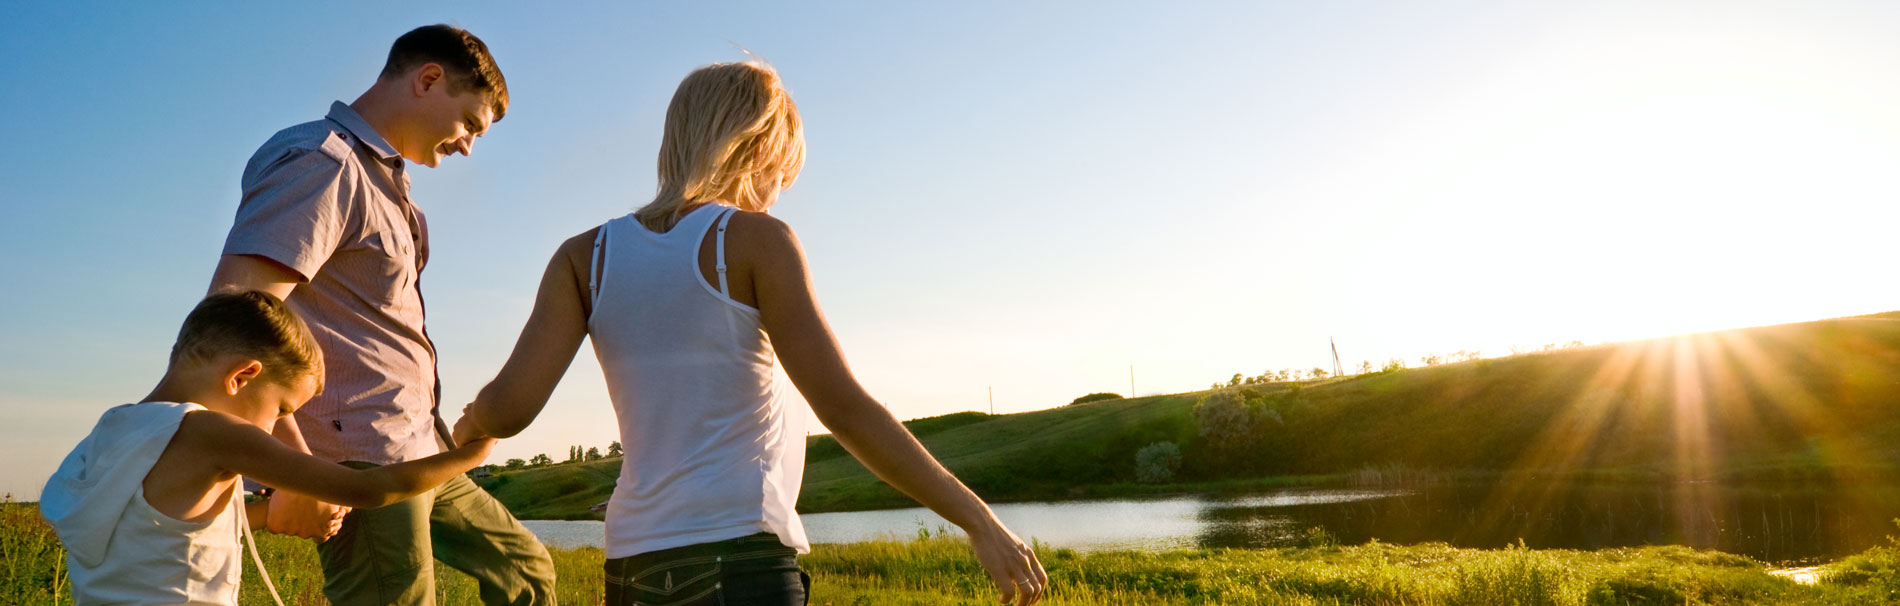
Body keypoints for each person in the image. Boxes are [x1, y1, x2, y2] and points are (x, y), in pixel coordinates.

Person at [453, 61, 1049, 606]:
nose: (778, 193)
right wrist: (980, 521)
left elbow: (510, 410)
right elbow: (845, 408)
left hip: (630, 566)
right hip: (741, 563)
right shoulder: (758, 241)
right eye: (781, 174)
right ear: (757, 147)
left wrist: (473, 422)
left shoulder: (584, 257)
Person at [206, 24, 556, 605]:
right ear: (428, 79)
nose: (469, 144)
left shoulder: (388, 186)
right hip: (353, 459)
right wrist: (293, 467)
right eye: (470, 122)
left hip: (415, 445)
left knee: (526, 571)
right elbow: (234, 314)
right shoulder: (323, 163)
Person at [41, 291, 497, 606]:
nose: (279, 423)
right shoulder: (214, 434)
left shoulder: (111, 432)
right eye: (281, 409)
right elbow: (371, 488)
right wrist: (469, 454)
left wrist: (265, 518)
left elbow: (157, 531)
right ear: (242, 376)